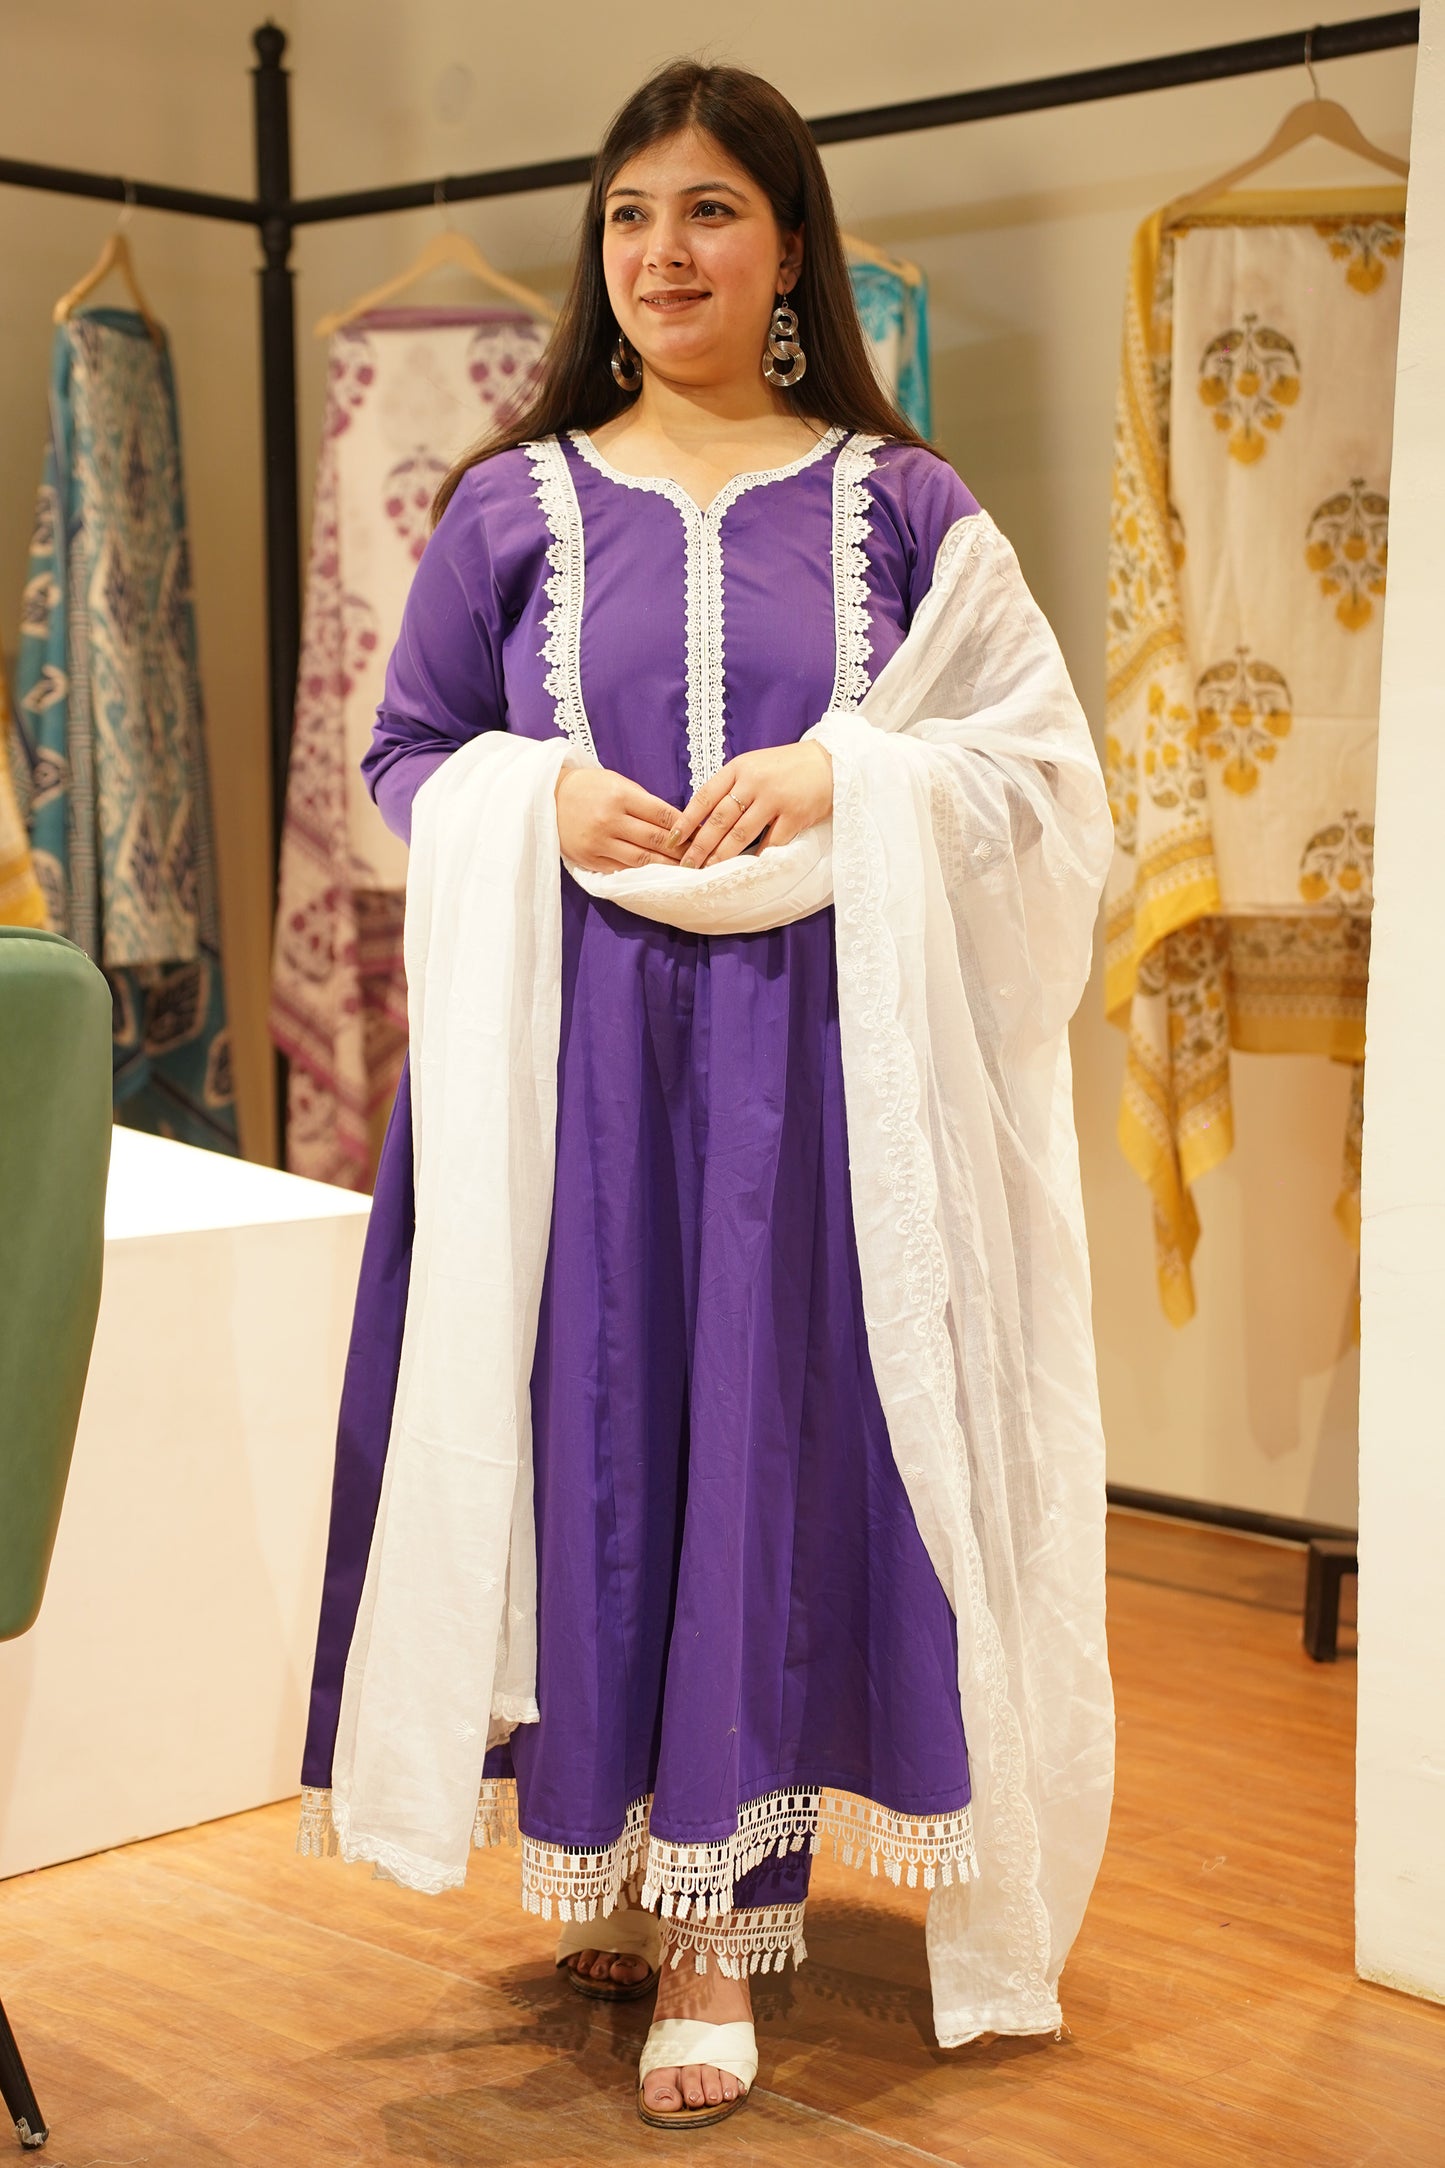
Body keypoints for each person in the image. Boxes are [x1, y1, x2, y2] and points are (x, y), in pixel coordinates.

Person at [299, 57, 1115, 2133]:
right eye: (630, 214)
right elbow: (402, 759)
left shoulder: (900, 504)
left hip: (809, 1086)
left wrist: (850, 771)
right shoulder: (512, 503)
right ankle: (612, 1847)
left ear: (789, 246)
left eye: (710, 211)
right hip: (570, 1076)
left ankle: (719, 1936)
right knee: (598, 1449)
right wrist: (541, 793)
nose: (662, 253)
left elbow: (1039, 769)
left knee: (760, 1453)